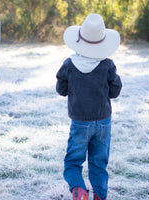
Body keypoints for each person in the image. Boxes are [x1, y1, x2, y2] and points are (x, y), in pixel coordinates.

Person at [56, 13, 122, 200]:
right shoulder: (107, 65)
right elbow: (114, 92)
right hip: (103, 122)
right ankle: (100, 195)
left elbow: (61, 89)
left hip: (80, 122)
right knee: (99, 163)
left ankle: (79, 191)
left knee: (73, 161)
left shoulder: (69, 64)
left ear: (80, 40)